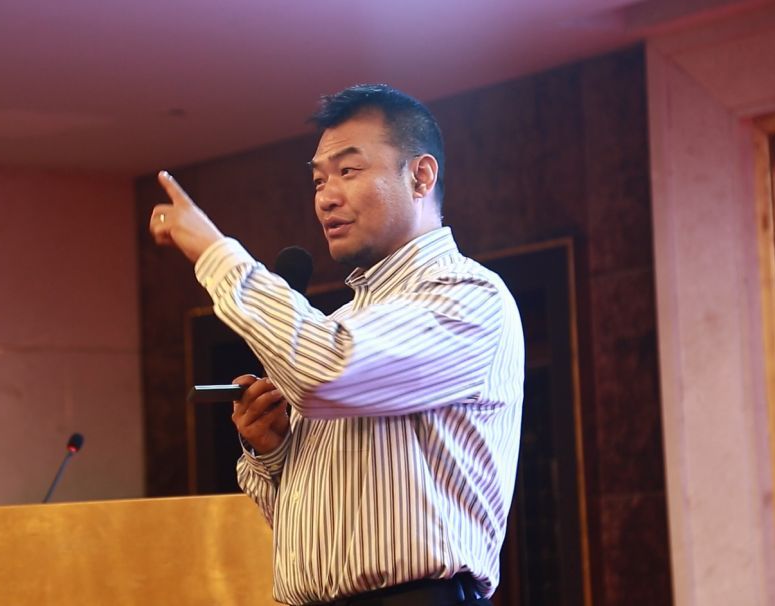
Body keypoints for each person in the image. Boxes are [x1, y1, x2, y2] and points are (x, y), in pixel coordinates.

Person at [149, 84, 524, 606]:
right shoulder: (343, 323)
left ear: (420, 176)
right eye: (319, 179)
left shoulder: (468, 294)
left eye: (348, 171)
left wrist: (213, 250)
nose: (326, 196)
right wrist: (273, 451)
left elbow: (328, 370)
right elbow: (304, 531)